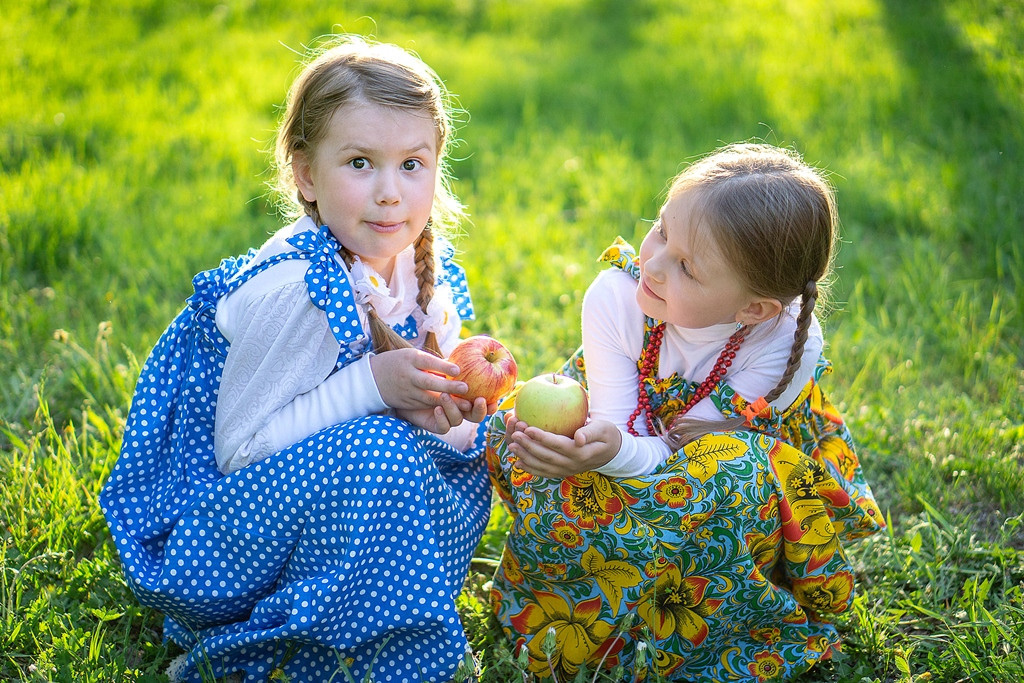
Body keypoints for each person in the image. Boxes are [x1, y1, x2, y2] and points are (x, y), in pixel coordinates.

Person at [100, 36, 493, 683]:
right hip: (216, 533)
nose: (391, 193)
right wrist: (372, 385)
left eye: (412, 164)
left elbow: (428, 410)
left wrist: (449, 410)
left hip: (302, 501)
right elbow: (242, 453)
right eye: (361, 162)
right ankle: (300, 640)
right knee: (379, 451)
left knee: (473, 447)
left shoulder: (416, 265)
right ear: (307, 173)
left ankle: (384, 619)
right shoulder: (297, 289)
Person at [485, 143, 885, 681]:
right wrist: (590, 452)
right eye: (661, 229)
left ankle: (702, 636)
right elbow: (619, 427)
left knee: (732, 471)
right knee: (538, 458)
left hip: (712, 470)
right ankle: (576, 625)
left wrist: (617, 454)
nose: (650, 263)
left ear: (754, 308)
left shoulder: (785, 343)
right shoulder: (617, 298)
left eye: (687, 268)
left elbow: (688, 456)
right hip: (621, 435)